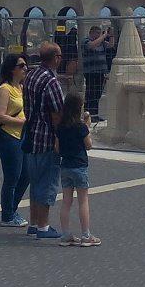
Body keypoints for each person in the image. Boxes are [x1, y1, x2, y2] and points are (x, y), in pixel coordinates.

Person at [22, 41, 66, 240]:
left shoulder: (30, 75)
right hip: (47, 137)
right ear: (55, 58)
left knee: (35, 182)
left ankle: (33, 223)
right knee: (47, 183)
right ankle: (43, 226)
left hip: (31, 136)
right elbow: (57, 113)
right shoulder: (51, 81)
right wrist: (60, 136)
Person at [54, 91, 99, 246]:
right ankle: (86, 235)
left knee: (66, 201)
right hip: (79, 166)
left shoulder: (61, 126)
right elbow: (89, 145)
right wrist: (88, 127)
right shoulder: (80, 127)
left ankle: (65, 235)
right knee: (83, 201)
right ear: (79, 108)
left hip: (65, 166)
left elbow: (57, 148)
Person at [0, 54, 29, 227]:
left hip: (22, 136)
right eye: (21, 65)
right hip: (8, 137)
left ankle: (11, 209)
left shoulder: (21, 87)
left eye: (25, 65)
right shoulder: (5, 89)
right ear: (12, 69)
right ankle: (7, 216)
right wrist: (20, 121)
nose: (25, 68)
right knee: (12, 177)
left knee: (26, 174)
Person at [81, 25, 113, 121]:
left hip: (101, 72)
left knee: (97, 94)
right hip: (91, 72)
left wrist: (111, 35)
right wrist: (103, 36)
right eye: (97, 33)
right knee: (91, 94)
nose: (99, 35)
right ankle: (88, 116)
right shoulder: (85, 41)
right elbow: (91, 46)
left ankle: (95, 115)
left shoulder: (101, 42)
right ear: (92, 32)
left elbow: (111, 45)